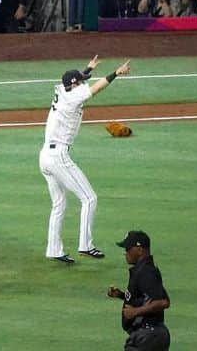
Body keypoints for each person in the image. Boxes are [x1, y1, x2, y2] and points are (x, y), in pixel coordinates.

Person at [40, 57, 131, 264]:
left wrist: (87, 68)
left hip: (45, 155)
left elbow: (77, 82)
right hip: (58, 157)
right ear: (74, 85)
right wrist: (116, 73)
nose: (83, 82)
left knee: (59, 204)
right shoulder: (74, 97)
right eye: (80, 80)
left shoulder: (63, 90)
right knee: (89, 198)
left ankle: (54, 250)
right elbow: (96, 89)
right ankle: (86, 246)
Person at [109, 230, 171, 349]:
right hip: (151, 335)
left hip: (147, 337)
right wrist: (121, 295)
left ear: (139, 250)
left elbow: (163, 302)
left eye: (127, 249)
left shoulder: (146, 272)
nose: (125, 253)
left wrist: (135, 312)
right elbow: (147, 296)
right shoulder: (143, 269)